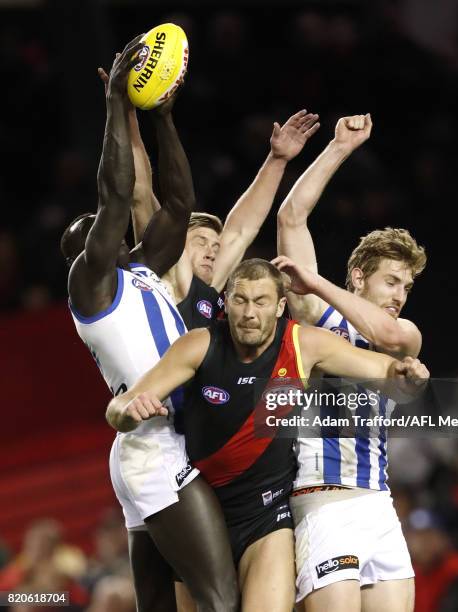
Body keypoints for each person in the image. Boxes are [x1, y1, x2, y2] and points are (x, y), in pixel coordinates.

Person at [105, 258, 429, 612]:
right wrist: (128, 413)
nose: (248, 313)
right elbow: (119, 407)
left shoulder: (304, 344)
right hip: (201, 513)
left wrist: (408, 373)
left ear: (279, 306)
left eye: (260, 302)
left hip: (267, 515)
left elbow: (386, 371)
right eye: (240, 300)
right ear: (225, 302)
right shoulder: (199, 344)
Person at [61, 38, 238, 612]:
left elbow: (180, 205)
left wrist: (162, 117)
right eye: (90, 232)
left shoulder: (138, 269)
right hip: (154, 443)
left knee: (160, 604)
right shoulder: (92, 286)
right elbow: (115, 198)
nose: (102, 230)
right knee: (220, 598)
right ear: (84, 250)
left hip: (152, 442)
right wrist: (116, 103)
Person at [275, 113, 427, 611]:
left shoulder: (402, 334)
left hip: (377, 501)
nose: (401, 295)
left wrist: (314, 280)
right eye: (392, 282)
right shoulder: (318, 321)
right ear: (359, 276)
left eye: (407, 286)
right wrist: (339, 148)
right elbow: (291, 218)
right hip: (322, 498)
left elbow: (383, 332)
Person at [126, 104, 320, 329]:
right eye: (201, 242)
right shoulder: (158, 273)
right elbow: (140, 190)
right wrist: (126, 111)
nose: (211, 253)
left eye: (216, 248)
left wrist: (277, 160)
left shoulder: (206, 295)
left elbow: (241, 231)